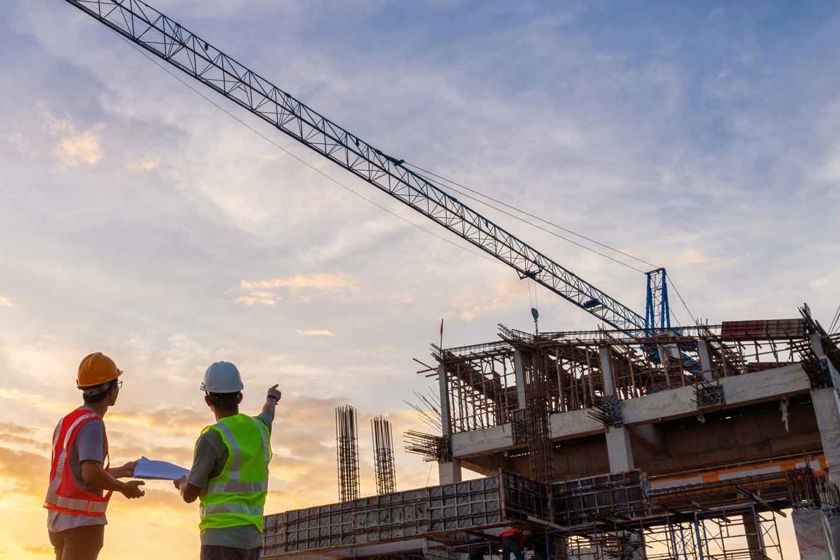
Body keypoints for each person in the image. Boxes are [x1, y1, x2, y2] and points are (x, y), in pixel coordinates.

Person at [45, 352, 146, 560]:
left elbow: (77, 473)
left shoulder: (68, 421)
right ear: (111, 390)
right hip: (81, 526)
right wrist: (123, 488)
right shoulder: (92, 423)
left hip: (58, 522)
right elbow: (90, 474)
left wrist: (121, 471)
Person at [175, 361, 280, 560]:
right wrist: (272, 397)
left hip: (220, 538)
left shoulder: (212, 438)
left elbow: (190, 494)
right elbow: (268, 413)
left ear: (207, 400)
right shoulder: (260, 429)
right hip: (253, 538)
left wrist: (181, 484)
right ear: (240, 397)